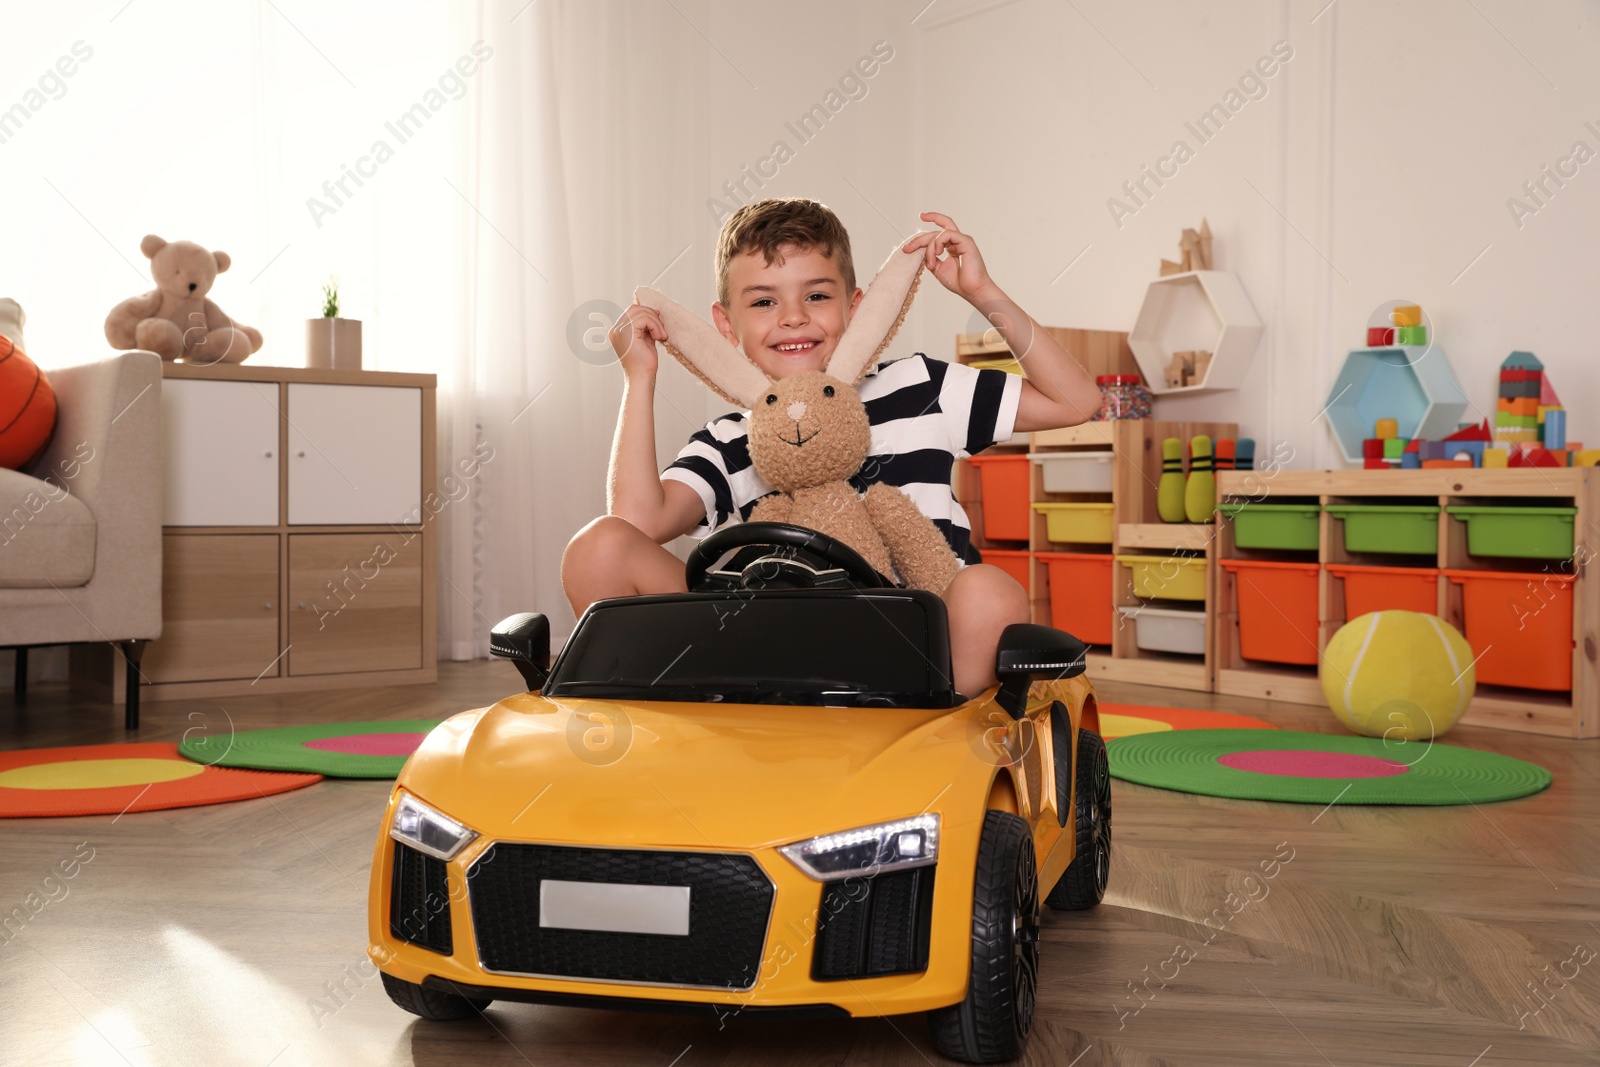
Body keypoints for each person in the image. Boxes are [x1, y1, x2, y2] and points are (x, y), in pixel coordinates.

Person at [562, 198, 1102, 697]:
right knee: (599, 546)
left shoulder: (918, 386)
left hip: (921, 647)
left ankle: (935, 738)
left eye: (816, 296)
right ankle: (688, 717)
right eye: (765, 301)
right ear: (726, 326)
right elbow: (634, 525)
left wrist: (982, 293)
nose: (793, 317)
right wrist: (640, 377)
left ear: (857, 308)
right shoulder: (734, 437)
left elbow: (1075, 402)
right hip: (773, 648)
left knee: (989, 589)